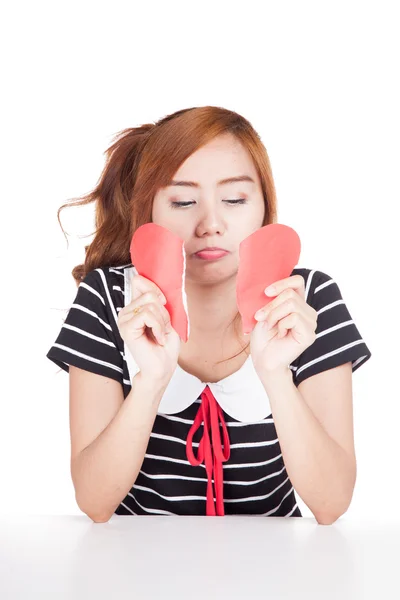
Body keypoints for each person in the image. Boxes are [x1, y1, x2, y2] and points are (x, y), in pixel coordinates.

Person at [46, 105, 372, 523]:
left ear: (263, 206)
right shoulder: (107, 299)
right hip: (136, 570)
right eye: (183, 201)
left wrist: (275, 376)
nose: (210, 224)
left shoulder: (306, 301)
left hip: (274, 574)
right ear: (149, 210)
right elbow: (94, 502)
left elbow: (331, 504)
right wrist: (150, 384)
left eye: (234, 199)